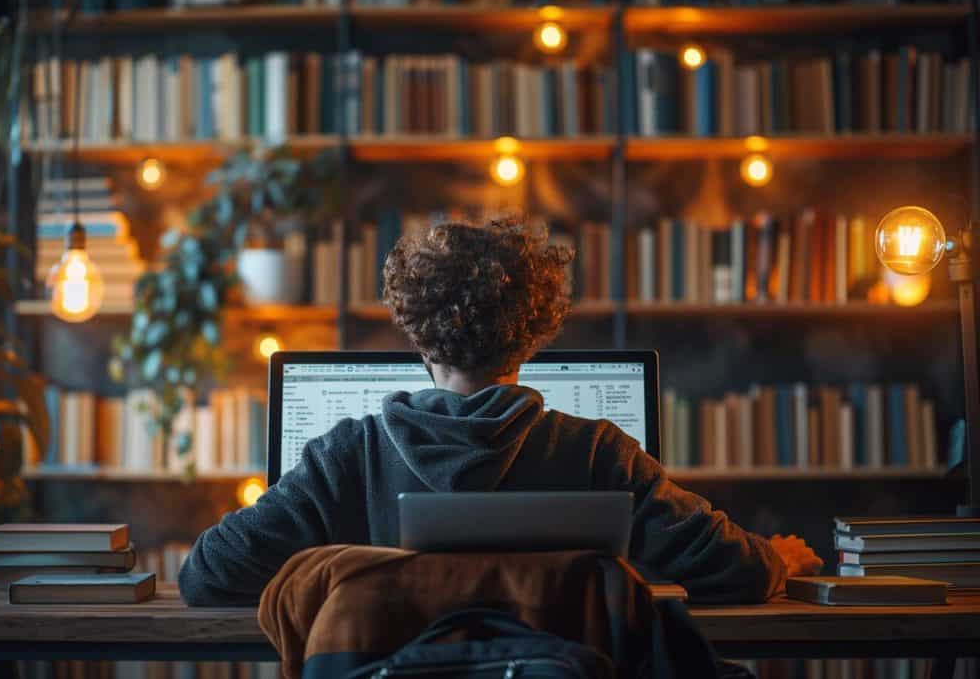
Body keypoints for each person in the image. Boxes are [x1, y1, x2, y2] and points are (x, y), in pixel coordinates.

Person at [178, 220, 822, 607]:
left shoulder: (347, 456)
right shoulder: (597, 454)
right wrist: (780, 559)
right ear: (531, 335)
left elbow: (207, 575)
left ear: (419, 339)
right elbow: (732, 567)